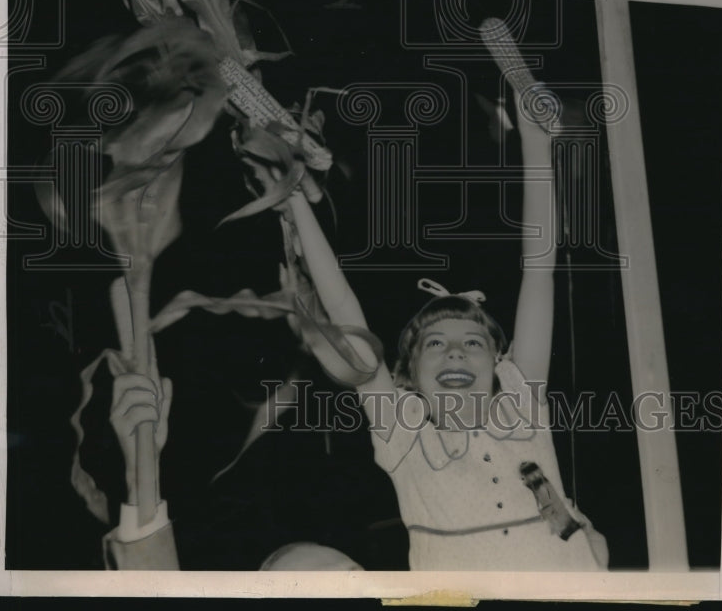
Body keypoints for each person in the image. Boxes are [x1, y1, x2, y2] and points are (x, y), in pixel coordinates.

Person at [106, 90, 608, 571]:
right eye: (435, 344)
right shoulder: (404, 435)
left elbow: (539, 270)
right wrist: (294, 203)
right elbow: (346, 311)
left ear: (499, 365)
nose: (455, 353)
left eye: (473, 343)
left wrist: (537, 144)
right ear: (407, 377)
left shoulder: (523, 408)